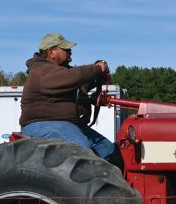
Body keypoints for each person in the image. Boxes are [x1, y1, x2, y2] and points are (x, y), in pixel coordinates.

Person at [19, 33, 122, 167]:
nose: (70, 51)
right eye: (66, 49)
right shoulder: (41, 70)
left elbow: (79, 84)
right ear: (52, 52)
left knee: (108, 150)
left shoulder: (59, 72)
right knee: (81, 147)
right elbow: (73, 77)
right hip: (40, 124)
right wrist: (96, 69)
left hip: (64, 123)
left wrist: (95, 79)